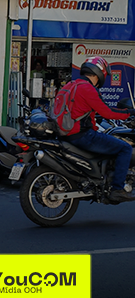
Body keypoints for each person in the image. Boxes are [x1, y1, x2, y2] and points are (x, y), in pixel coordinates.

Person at [61, 56, 135, 203]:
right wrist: (130, 112)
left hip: (67, 133)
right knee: (125, 148)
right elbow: (108, 112)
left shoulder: (71, 85)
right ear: (99, 73)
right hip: (82, 135)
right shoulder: (88, 88)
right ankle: (117, 190)